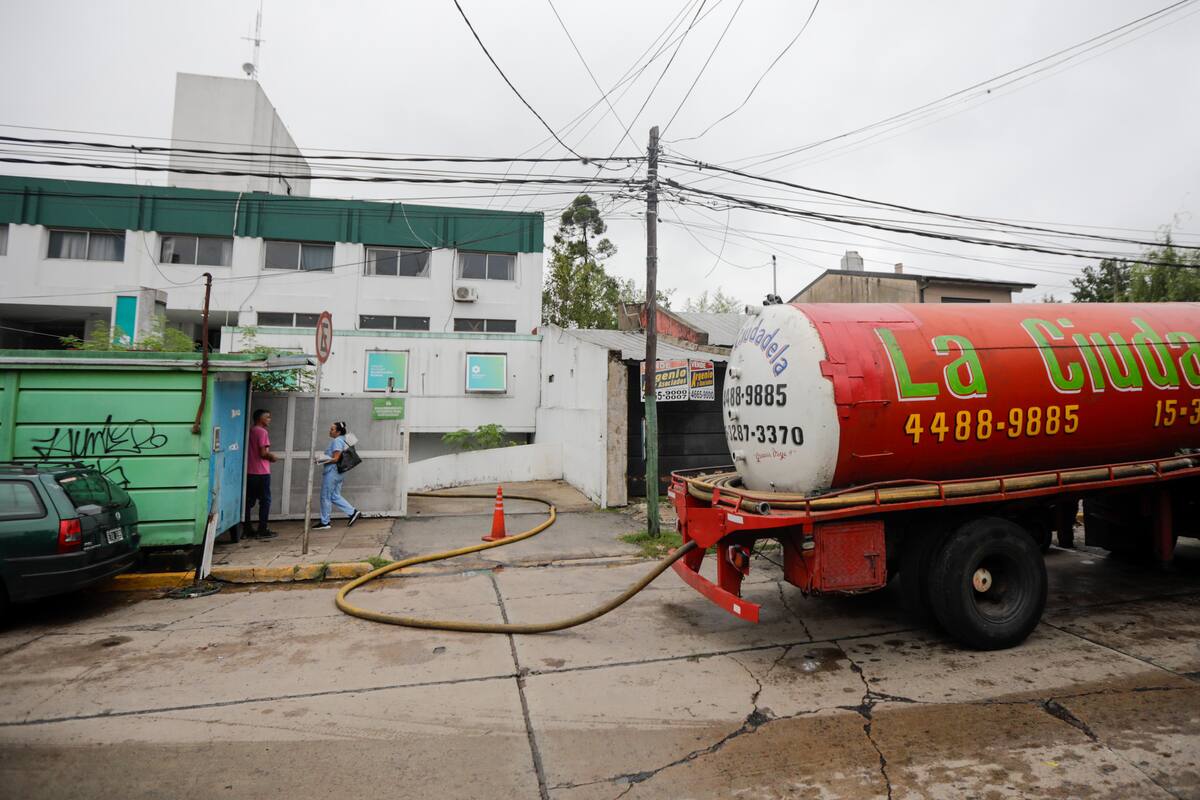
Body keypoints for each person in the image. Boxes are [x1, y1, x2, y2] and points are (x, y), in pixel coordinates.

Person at [313, 421, 361, 531]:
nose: (330, 431)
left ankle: (325, 522)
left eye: (332, 429)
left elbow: (335, 459)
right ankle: (353, 512)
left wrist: (321, 459)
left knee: (325, 496)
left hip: (332, 472)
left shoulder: (337, 441)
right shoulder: (343, 439)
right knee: (334, 496)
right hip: (339, 473)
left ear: (338, 432)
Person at [244, 409, 279, 540]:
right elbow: (263, 453)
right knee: (265, 501)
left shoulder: (251, 431)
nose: (269, 419)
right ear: (260, 418)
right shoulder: (262, 432)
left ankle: (247, 528)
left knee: (249, 501)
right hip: (261, 472)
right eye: (267, 417)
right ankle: (262, 529)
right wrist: (272, 457)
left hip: (250, 471)